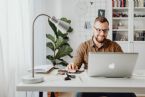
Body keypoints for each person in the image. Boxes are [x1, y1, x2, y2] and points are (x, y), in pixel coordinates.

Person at [66, 16, 136, 97]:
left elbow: (124, 66)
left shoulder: (115, 46)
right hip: (90, 86)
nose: (102, 33)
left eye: (105, 30)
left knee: (130, 95)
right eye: (99, 30)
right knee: (79, 95)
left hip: (113, 85)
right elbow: (75, 64)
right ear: (93, 29)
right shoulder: (84, 46)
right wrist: (72, 66)